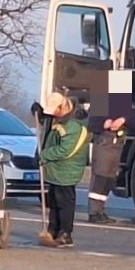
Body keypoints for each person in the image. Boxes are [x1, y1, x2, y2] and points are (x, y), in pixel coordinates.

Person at [30, 92, 90, 247]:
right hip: (54, 167)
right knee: (54, 200)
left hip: (67, 168)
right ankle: (53, 229)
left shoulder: (75, 124)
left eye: (53, 111)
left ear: (62, 107)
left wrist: (44, 155)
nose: (52, 115)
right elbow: (47, 123)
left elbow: (65, 150)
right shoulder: (59, 116)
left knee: (64, 202)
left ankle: (65, 233)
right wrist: (39, 112)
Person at [87, 117, 127, 224]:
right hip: (104, 142)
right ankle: (94, 212)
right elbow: (90, 124)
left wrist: (124, 120)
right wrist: (103, 124)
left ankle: (100, 211)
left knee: (109, 180)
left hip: (117, 143)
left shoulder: (122, 103)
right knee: (99, 178)